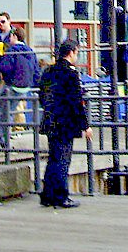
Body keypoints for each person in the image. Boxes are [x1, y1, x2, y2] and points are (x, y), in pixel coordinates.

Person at [38, 39, 92, 208]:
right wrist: (85, 125)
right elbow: (76, 102)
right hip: (65, 122)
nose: (77, 56)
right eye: (76, 53)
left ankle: (47, 195)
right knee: (63, 160)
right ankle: (61, 196)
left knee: (53, 159)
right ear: (71, 53)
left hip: (50, 120)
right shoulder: (71, 73)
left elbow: (42, 95)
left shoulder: (48, 71)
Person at [0, 26, 39, 131]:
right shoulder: (30, 51)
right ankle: (6, 135)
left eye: (10, 36)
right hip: (25, 87)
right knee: (12, 111)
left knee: (3, 112)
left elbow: (4, 68)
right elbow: (36, 71)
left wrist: (0, 57)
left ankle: (0, 136)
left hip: (12, 85)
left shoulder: (11, 51)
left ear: (14, 36)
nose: (9, 39)